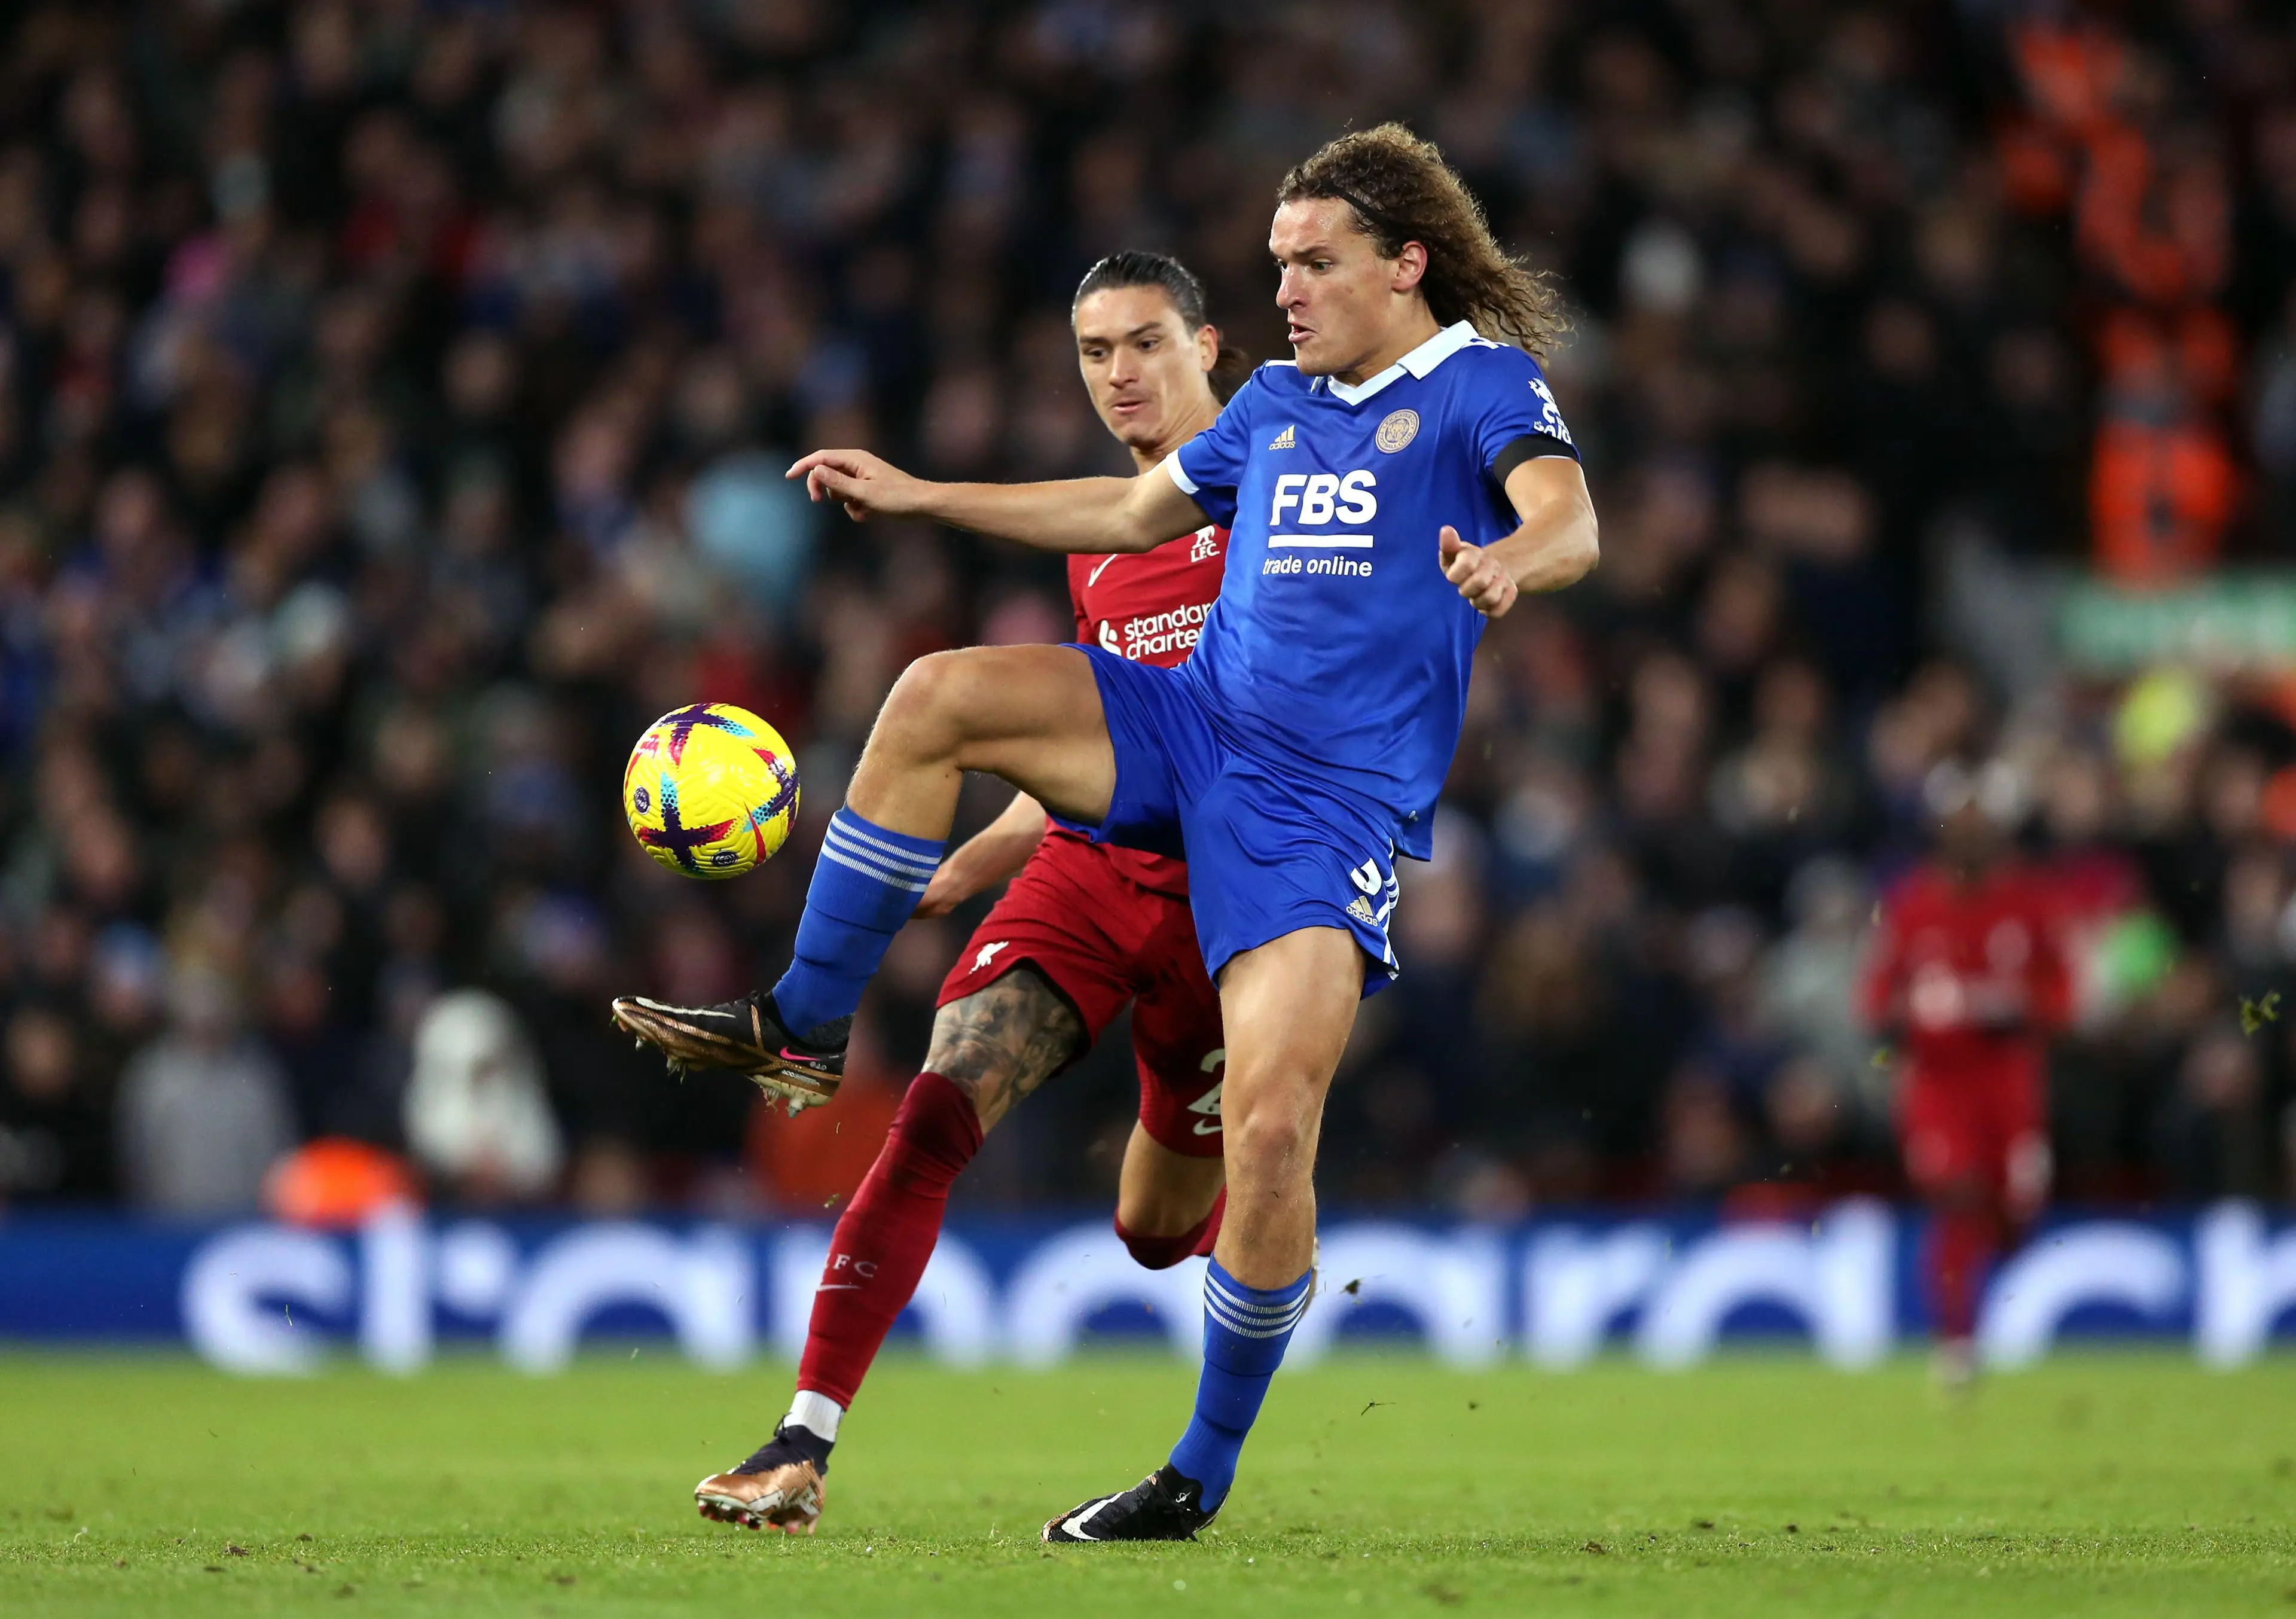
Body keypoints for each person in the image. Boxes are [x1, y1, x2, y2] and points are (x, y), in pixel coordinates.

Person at [615, 123, 1599, 1541]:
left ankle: (1195, 1467)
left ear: (1405, 263)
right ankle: (803, 1021)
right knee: (937, 689)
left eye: (1314, 262)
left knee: (1237, 1158)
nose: (1290, 291)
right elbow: (1131, 505)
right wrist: (919, 493)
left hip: (1311, 815)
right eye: (1277, 265)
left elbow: (1566, 516)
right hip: (1187, 735)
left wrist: (1508, 561)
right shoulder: (1270, 402)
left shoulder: (1475, 387)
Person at [674, 250, 1239, 1534]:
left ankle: (1258, 1274)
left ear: (1210, 347)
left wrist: (926, 495)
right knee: (932, 1112)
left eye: (1146, 343)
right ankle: (799, 1443)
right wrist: (957, 871)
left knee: (1157, 1229)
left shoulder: (1280, 493)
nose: (1120, 375)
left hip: (1235, 911)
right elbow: (1089, 752)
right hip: (1092, 881)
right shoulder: (1097, 558)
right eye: (1096, 353)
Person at [1861, 759, 2071, 1386]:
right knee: (1957, 1193)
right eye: (1961, 822)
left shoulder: (2031, 903)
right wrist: (1914, 1014)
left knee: (2012, 1216)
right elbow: (1873, 1002)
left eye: (1981, 821)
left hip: (2009, 1082)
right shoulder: (1910, 907)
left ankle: (1987, 1287)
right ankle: (1955, 1343)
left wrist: (2016, 1008)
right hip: (1939, 1083)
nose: (1971, 834)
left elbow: (2064, 995)